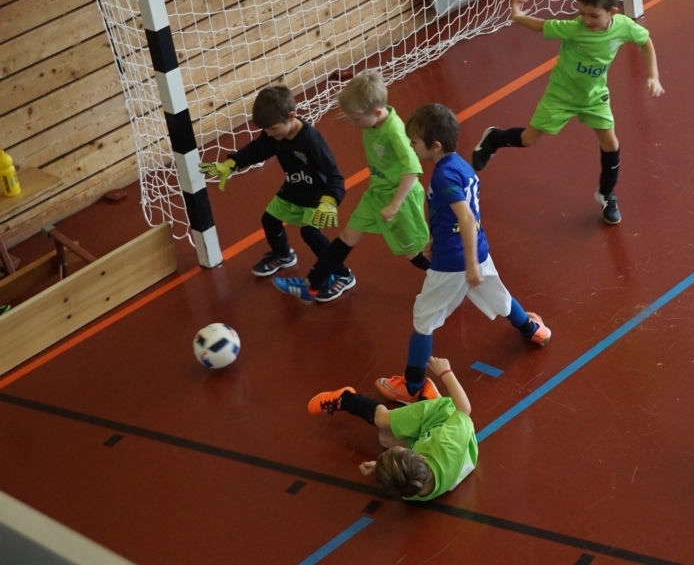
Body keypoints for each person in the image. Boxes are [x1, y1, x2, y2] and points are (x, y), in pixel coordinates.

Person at [376, 103, 551, 403]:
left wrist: (468, 265)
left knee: (423, 319)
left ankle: (413, 386)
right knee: (498, 296)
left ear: (435, 145)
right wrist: (441, 240)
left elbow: (465, 218)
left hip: (454, 262)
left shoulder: (442, 176)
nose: (411, 145)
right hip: (477, 248)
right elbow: (459, 216)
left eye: (414, 142)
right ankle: (533, 329)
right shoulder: (461, 166)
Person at [470, 0, 665, 225]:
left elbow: (645, 41)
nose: (586, 20)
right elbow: (542, 25)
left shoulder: (624, 26)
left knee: (611, 144)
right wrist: (517, 17)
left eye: (594, 15)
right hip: (561, 95)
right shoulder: (574, 28)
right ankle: (494, 138)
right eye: (582, 13)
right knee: (529, 139)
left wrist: (653, 76)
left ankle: (606, 194)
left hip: (594, 96)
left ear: (612, 12)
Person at [273, 71, 430, 303]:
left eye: (355, 119)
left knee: (412, 252)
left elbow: (412, 170)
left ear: (376, 113)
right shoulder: (373, 117)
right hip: (376, 194)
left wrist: (395, 204)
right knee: (347, 236)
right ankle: (312, 286)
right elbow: (365, 90)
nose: (353, 124)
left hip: (400, 199)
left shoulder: (394, 131)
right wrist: (353, 113)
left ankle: (449, 275)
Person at [200, 85, 345, 278]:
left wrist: (330, 200)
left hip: (317, 196)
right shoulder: (275, 135)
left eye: (273, 129)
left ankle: (341, 274)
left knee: (310, 234)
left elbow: (334, 174)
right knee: (270, 220)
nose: (269, 134)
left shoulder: (311, 140)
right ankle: (283, 255)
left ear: (291, 116)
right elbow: (256, 150)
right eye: (266, 130)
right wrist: (232, 164)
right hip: (294, 189)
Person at [308, 356, 477, 501]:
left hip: (435, 437)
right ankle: (431, 400)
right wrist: (445, 372)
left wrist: (382, 467)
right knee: (384, 425)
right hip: (442, 416)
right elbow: (464, 409)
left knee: (384, 435)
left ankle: (345, 398)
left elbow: (403, 472)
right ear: (421, 457)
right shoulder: (445, 445)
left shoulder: (412, 488)